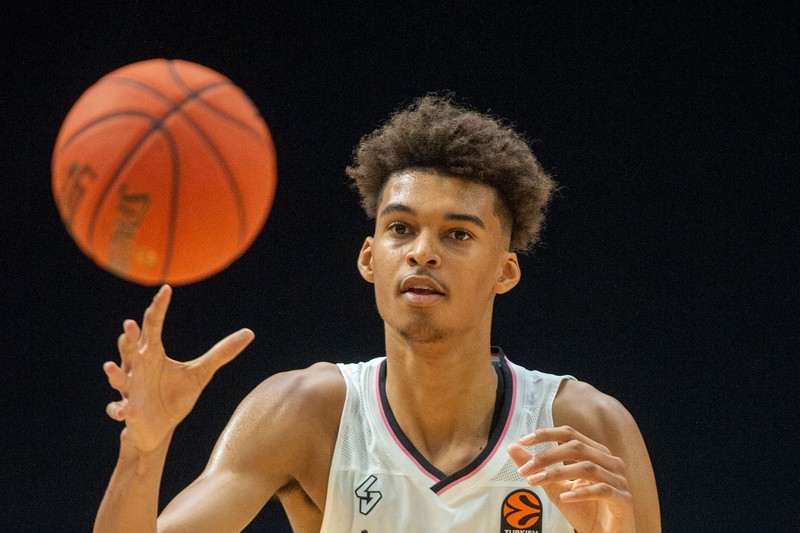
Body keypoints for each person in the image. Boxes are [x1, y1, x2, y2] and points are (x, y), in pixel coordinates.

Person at [95, 95, 661, 532]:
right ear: (369, 257)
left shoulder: (587, 428)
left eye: (458, 234)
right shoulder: (305, 414)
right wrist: (143, 451)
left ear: (505, 271)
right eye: (401, 228)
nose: (423, 252)